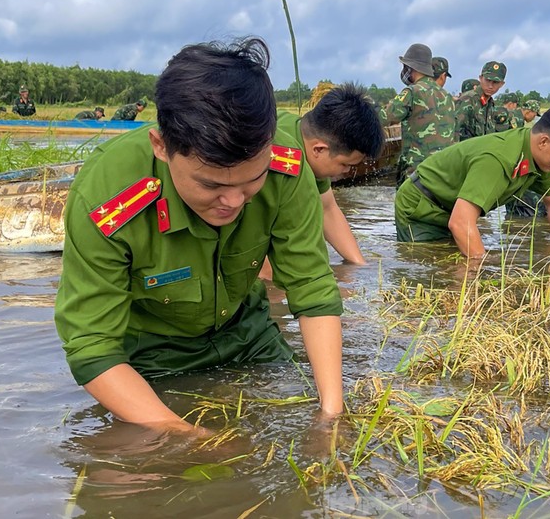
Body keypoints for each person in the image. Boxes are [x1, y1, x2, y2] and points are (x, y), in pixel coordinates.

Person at [54, 37, 345, 435]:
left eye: (251, 181)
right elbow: (92, 347)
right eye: (210, 185)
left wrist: (332, 415)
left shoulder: (287, 167)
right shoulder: (108, 198)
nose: (233, 202)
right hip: (151, 354)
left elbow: (311, 285)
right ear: (161, 146)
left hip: (247, 334)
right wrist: (189, 437)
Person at [394, 103, 550, 257]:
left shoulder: (542, 159)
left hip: (452, 208)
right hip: (422, 205)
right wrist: (486, 264)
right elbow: (461, 223)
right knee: (426, 267)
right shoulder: (497, 159)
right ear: (543, 142)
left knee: (460, 257)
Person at [271, 83, 385, 267]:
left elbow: (328, 209)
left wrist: (359, 266)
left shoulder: (306, 142)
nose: (347, 172)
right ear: (320, 149)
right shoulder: (282, 157)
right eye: (345, 164)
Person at [379, 43, 456, 186]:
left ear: (411, 68)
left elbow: (382, 118)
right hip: (443, 174)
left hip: (416, 174)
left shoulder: (412, 92)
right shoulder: (447, 97)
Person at [455, 61, 506, 141]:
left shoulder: (490, 104)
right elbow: (454, 132)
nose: (490, 86)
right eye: (488, 80)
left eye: (495, 82)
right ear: (480, 78)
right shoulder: (468, 99)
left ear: (502, 84)